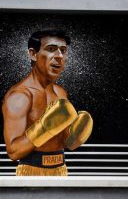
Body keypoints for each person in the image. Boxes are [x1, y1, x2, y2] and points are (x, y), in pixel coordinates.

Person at [2, 29, 93, 176]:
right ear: (33, 54)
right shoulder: (20, 96)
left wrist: (75, 136)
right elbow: (13, 152)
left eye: (63, 50)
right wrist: (44, 128)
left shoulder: (60, 93)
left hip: (61, 169)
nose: (59, 56)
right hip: (31, 172)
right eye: (51, 49)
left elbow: (62, 142)